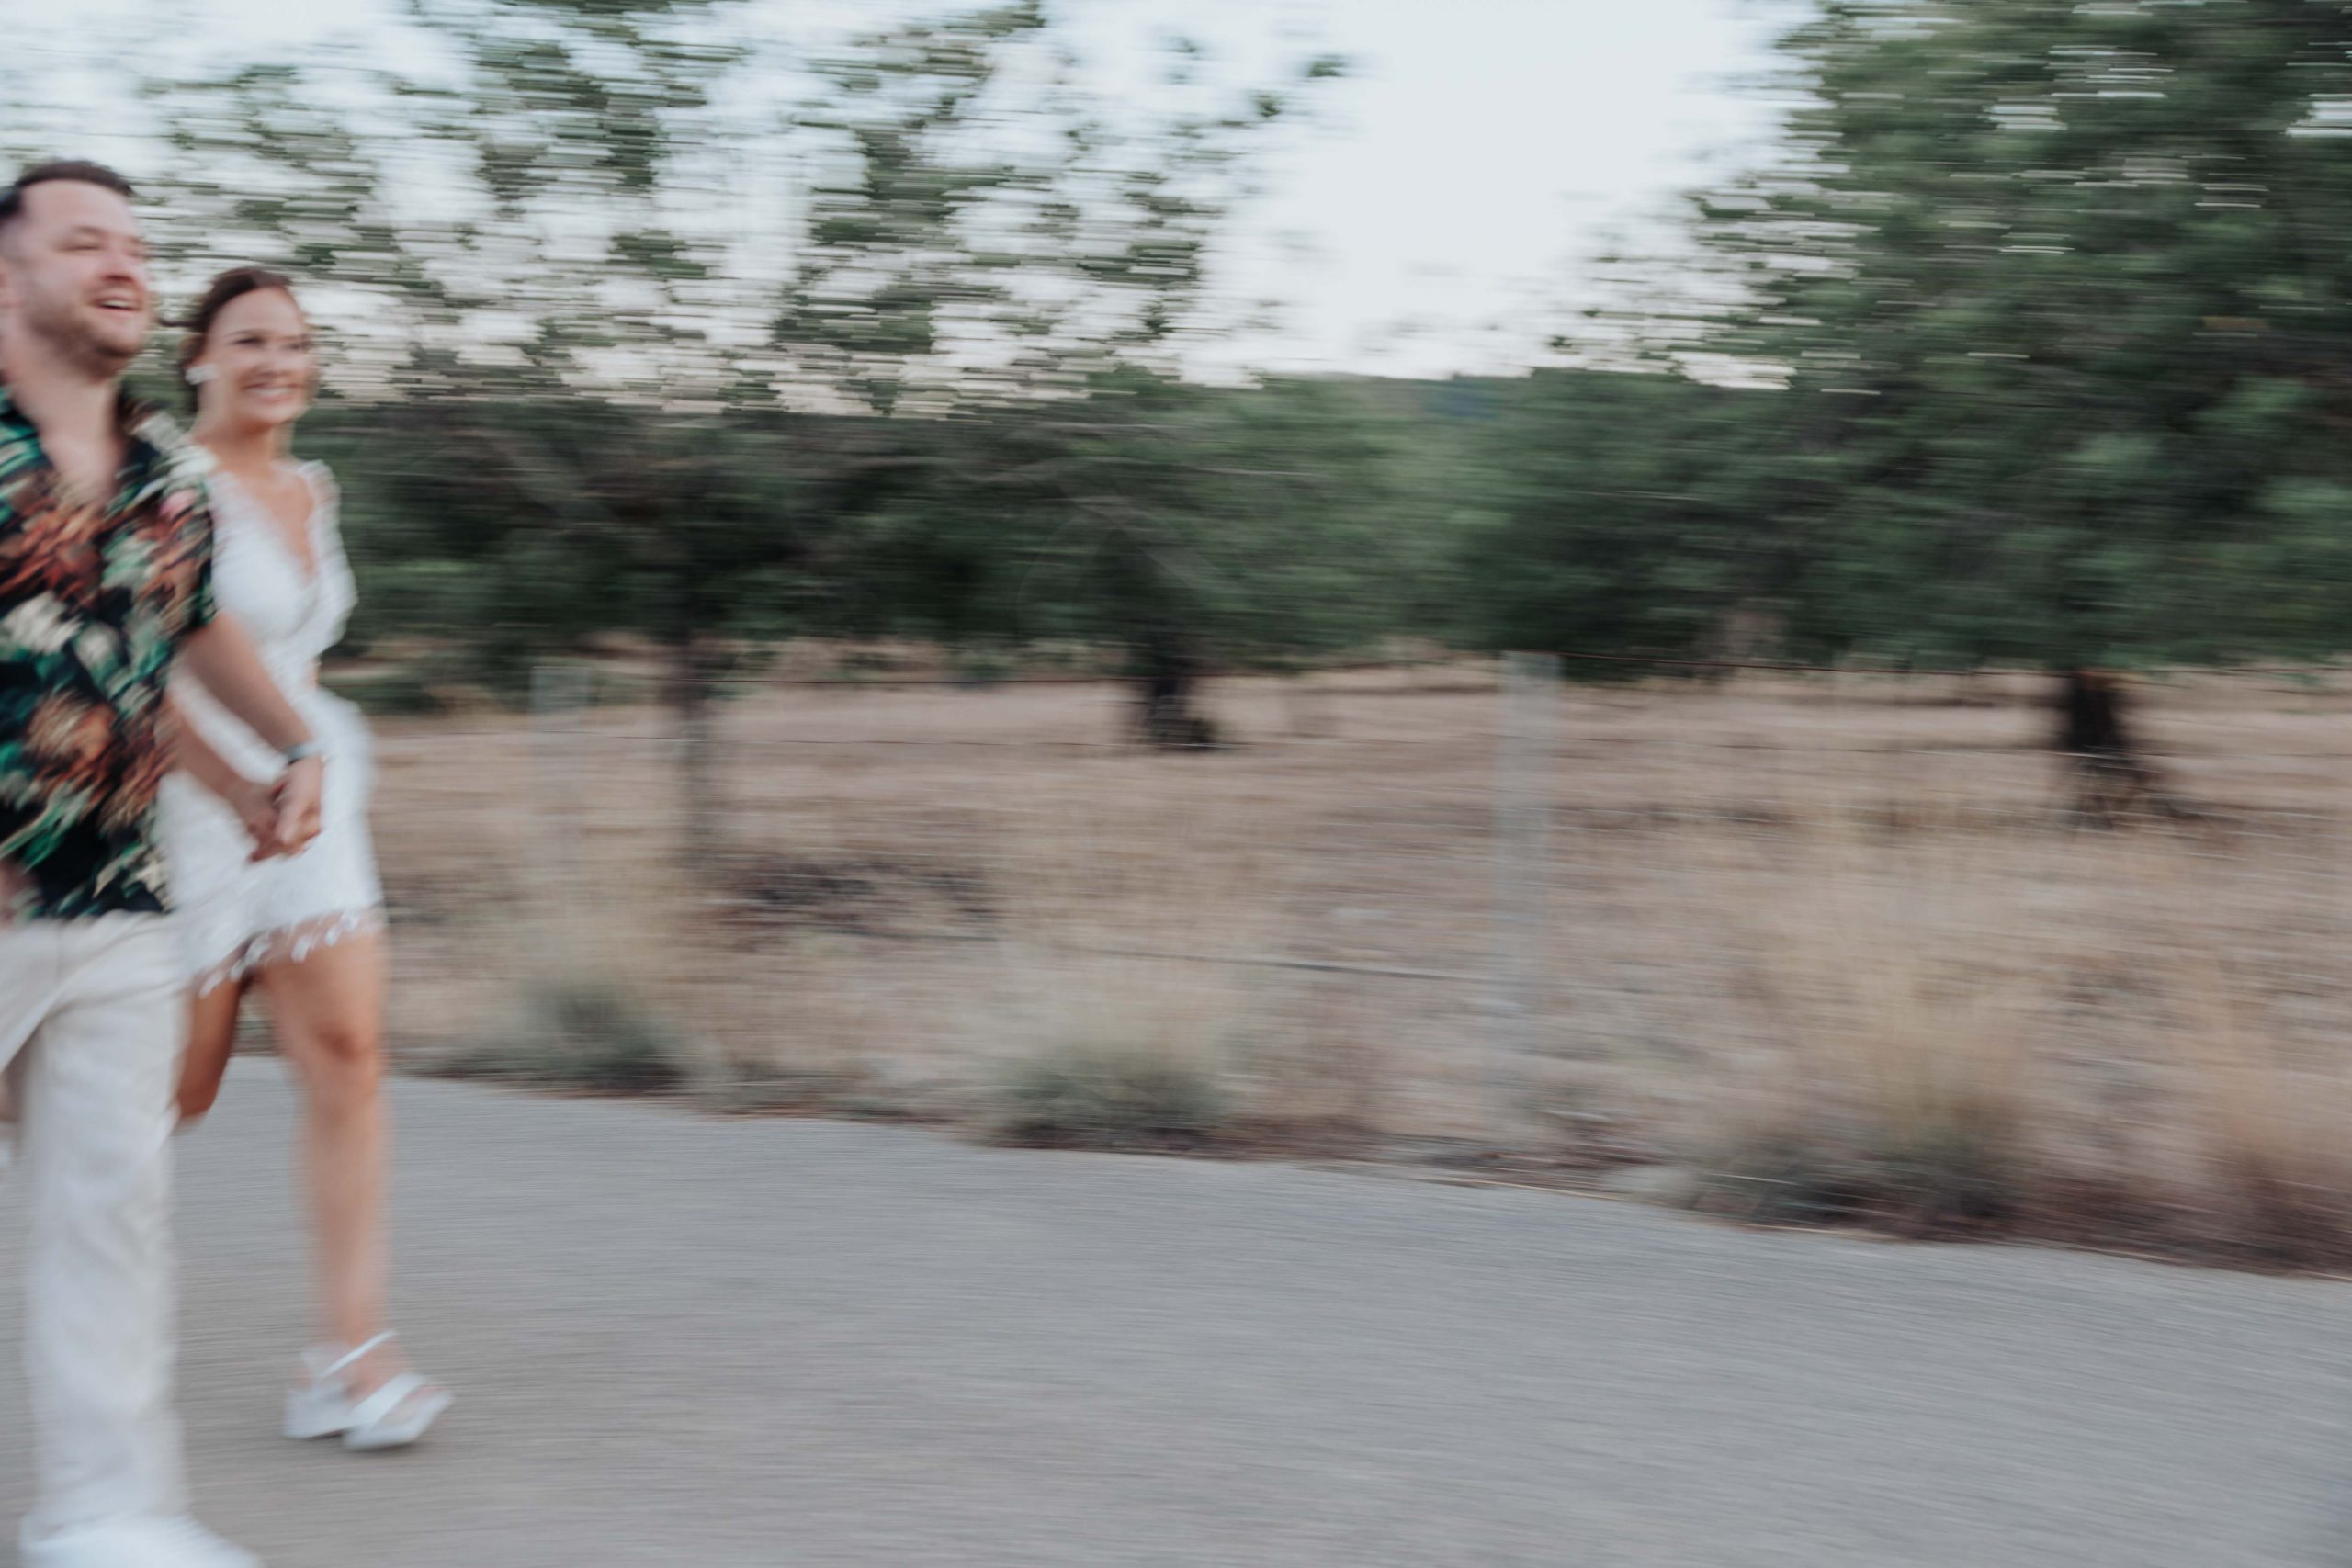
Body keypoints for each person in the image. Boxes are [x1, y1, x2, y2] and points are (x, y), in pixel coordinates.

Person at [0, 160, 325, 1568]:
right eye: (84, 244)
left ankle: (106, 1516)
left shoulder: (165, 479)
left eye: (133, 245)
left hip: (122, 899)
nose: (122, 265)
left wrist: (284, 750)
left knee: (111, 1221)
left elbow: (185, 630)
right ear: (8, 278)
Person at [157, 266, 449, 1453]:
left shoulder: (310, 486)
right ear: (198, 358)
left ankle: (348, 1355)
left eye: (294, 342)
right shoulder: (162, 481)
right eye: (249, 341)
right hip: (183, 802)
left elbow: (299, 657)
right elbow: (137, 672)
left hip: (313, 797)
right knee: (171, 1094)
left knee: (348, 1058)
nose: (277, 362)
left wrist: (300, 768)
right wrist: (237, 785)